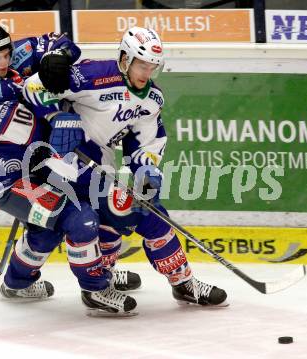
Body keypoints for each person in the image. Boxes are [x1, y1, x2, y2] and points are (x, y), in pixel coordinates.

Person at [23, 26, 228, 315]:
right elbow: (31, 88)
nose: (146, 73)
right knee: (139, 214)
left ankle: (114, 279)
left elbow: (147, 140)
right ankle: (165, 284)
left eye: (152, 67)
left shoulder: (152, 98)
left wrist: (147, 170)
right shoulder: (92, 76)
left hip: (101, 163)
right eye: (141, 65)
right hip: (66, 163)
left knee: (128, 212)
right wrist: (58, 117)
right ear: (124, 59)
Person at [0, 22, 141, 306]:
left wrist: (54, 60)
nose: (5, 61)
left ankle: (18, 284)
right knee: (79, 219)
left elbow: (62, 43)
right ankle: (95, 290)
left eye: (7, 53)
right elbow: (43, 131)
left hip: (40, 168)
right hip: (10, 182)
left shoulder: (11, 55)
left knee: (86, 208)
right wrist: (56, 110)